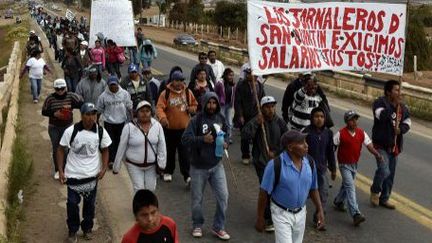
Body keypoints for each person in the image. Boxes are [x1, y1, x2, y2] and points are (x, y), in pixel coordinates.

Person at [255, 130, 325, 243]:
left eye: (305, 141)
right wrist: (260, 217)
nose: (306, 145)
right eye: (302, 142)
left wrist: (320, 210)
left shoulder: (310, 163)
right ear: (290, 147)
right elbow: (263, 194)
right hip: (281, 214)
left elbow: (313, 189)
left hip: (301, 213)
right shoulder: (275, 165)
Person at [56, 102, 112, 242]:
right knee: (72, 205)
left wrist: (104, 168)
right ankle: (72, 230)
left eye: (93, 114)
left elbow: (105, 150)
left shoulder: (100, 132)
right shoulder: (71, 131)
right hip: (73, 176)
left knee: (90, 206)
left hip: (91, 177)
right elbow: (60, 149)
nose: (91, 117)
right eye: (88, 114)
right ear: (81, 115)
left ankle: (87, 229)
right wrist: (61, 171)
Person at [181, 92, 230, 240]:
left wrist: (226, 142)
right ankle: (197, 224)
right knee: (197, 199)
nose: (211, 106)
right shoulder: (196, 120)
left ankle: (218, 227)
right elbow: (185, 139)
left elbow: (227, 133)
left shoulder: (221, 118)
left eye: (214, 103)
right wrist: (202, 139)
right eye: (209, 103)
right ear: (204, 103)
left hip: (216, 165)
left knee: (223, 197)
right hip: (198, 167)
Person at [242, 96, 287, 232]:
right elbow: (245, 135)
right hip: (262, 162)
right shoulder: (257, 121)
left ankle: (275, 214)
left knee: (277, 189)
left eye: (272, 106)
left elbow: (287, 141)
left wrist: (277, 152)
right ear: (261, 108)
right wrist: (256, 123)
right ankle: (267, 218)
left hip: (277, 162)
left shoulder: (280, 122)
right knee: (267, 189)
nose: (270, 109)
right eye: (267, 107)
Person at [333, 110, 383, 226]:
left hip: (354, 164)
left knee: (346, 186)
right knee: (350, 186)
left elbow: (369, 146)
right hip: (343, 165)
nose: (354, 121)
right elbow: (332, 147)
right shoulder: (341, 133)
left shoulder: (361, 133)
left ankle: (339, 201)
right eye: (351, 119)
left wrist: (377, 154)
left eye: (356, 119)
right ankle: (355, 214)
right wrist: (331, 164)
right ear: (346, 121)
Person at [370, 80, 411, 209]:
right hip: (381, 145)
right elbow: (380, 116)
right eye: (396, 90)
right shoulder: (379, 103)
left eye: (399, 90)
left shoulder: (403, 108)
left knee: (390, 175)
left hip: (394, 146)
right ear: (388, 92)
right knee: (384, 170)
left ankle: (384, 198)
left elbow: (408, 122)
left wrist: (401, 129)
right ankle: (375, 191)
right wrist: (393, 105)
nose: (399, 92)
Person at [113, 101, 167, 193]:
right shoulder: (129, 127)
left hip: (152, 166)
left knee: (151, 189)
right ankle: (139, 207)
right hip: (134, 165)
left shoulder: (157, 126)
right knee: (139, 189)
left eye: (147, 111)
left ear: (151, 113)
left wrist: (162, 163)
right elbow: (121, 147)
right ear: (136, 113)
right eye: (142, 111)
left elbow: (162, 145)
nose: (145, 113)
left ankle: (147, 207)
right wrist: (116, 167)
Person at [156, 71, 198, 183]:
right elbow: (159, 108)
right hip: (169, 129)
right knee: (169, 152)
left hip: (184, 129)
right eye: (177, 80)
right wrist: (163, 118)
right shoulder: (165, 93)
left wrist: (192, 109)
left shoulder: (188, 92)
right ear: (172, 81)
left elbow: (195, 104)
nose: (179, 83)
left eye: (181, 80)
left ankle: (187, 175)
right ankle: (168, 171)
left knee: (185, 153)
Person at [41, 79, 83, 179]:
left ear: (65, 88)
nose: (60, 91)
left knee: (67, 148)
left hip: (67, 126)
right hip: (54, 127)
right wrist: (54, 114)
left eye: (62, 88)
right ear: (55, 89)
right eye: (57, 89)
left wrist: (71, 106)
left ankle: (67, 168)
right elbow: (44, 111)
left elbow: (81, 103)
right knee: (56, 148)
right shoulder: (50, 99)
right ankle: (57, 169)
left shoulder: (71, 96)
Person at [302, 107, 336, 224]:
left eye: (321, 117)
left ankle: (319, 218)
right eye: (316, 116)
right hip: (307, 169)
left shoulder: (328, 133)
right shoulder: (306, 132)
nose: (319, 119)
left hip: (321, 170)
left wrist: (333, 168)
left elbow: (330, 152)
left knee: (323, 194)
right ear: (312, 118)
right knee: (303, 194)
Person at [97, 75, 133, 169]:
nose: (113, 87)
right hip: (109, 122)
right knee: (110, 142)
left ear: (118, 84)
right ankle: (111, 160)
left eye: (115, 85)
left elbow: (129, 106)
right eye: (111, 85)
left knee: (119, 141)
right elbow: (99, 109)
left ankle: (117, 159)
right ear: (108, 85)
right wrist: (96, 121)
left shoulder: (124, 94)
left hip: (121, 121)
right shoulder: (103, 96)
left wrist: (132, 118)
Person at [234, 67, 265, 164]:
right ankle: (245, 155)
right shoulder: (241, 85)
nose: (248, 75)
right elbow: (237, 102)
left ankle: (256, 156)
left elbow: (263, 100)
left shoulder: (259, 85)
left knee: (257, 137)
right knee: (245, 136)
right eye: (247, 74)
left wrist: (262, 113)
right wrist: (240, 115)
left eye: (250, 74)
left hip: (255, 116)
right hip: (245, 115)